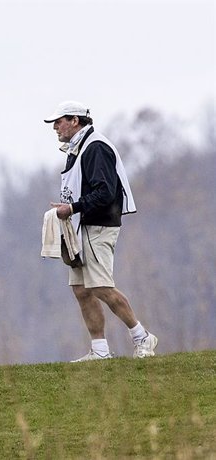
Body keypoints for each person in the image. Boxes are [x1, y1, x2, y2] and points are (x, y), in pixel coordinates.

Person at [44, 100, 158, 361]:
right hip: (83, 227)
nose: (55, 128)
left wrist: (72, 208)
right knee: (81, 289)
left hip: (99, 226)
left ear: (75, 121)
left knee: (101, 287)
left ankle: (142, 336)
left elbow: (105, 192)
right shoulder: (81, 147)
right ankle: (100, 350)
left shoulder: (95, 147)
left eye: (59, 121)